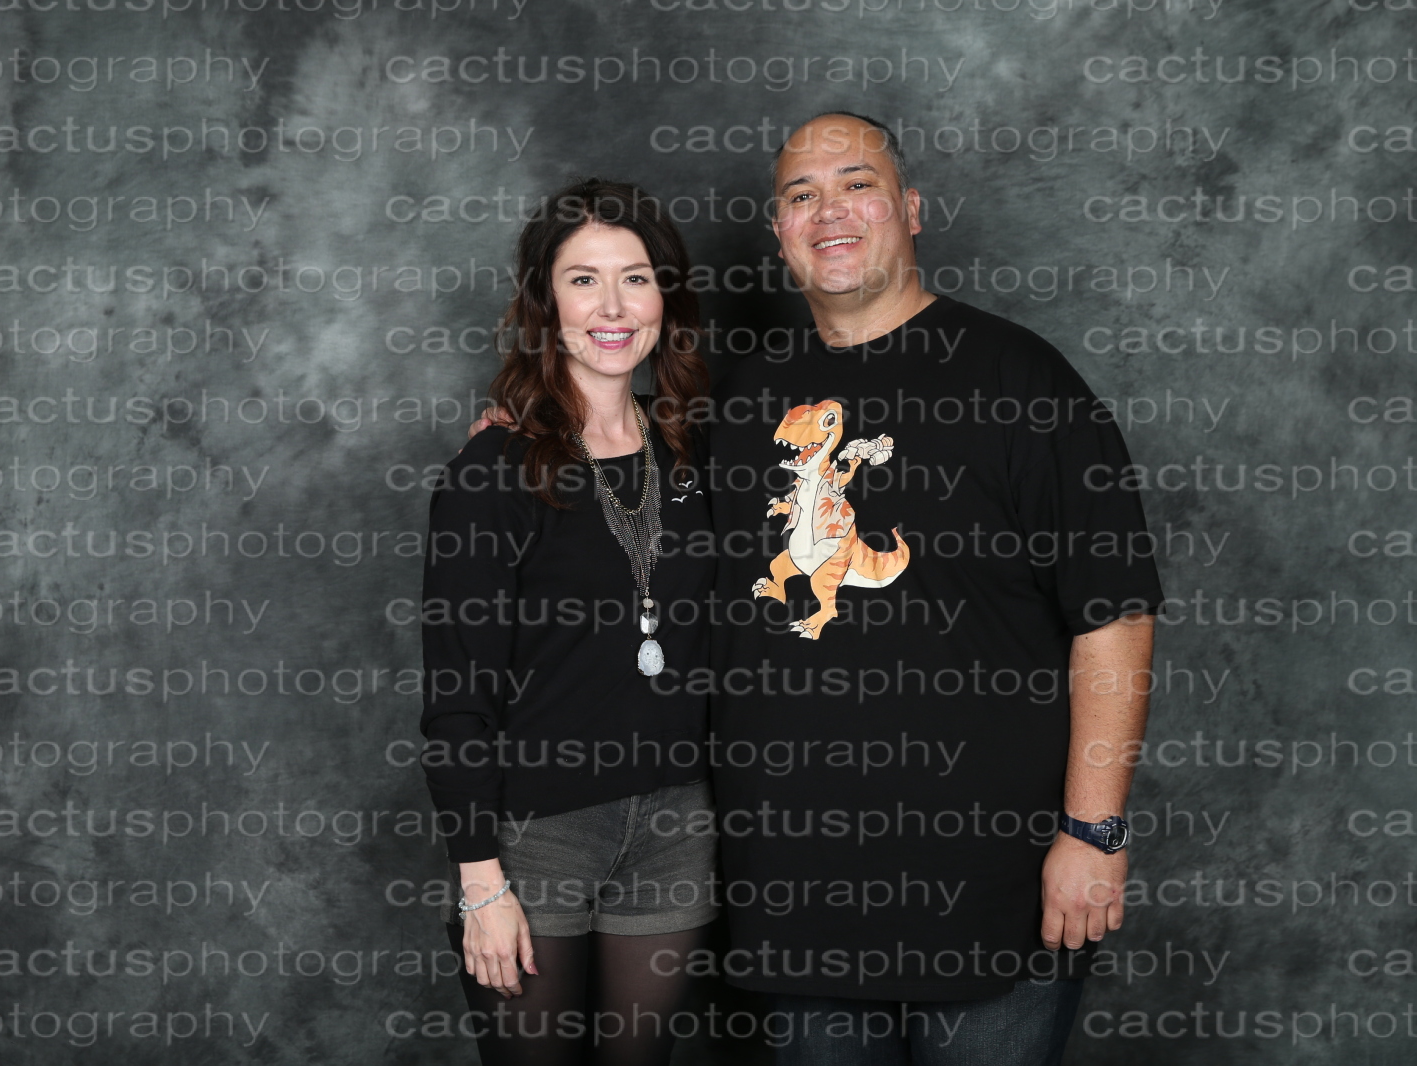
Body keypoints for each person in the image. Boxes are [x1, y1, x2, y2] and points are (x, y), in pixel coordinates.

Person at [695, 112, 1165, 1065]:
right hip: (796, 896)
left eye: (857, 184)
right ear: (779, 232)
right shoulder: (739, 400)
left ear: (911, 209)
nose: (829, 211)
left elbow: (1113, 614)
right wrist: (528, 427)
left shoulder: (1023, 380)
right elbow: (621, 491)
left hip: (991, 890)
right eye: (801, 195)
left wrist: (1095, 831)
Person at [418, 177, 718, 1066]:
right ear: (546, 304)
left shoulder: (701, 453)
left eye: (636, 278)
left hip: (678, 826)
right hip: (536, 835)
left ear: (666, 297)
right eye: (584, 280)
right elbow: (456, 697)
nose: (613, 308)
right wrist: (481, 883)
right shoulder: (492, 472)